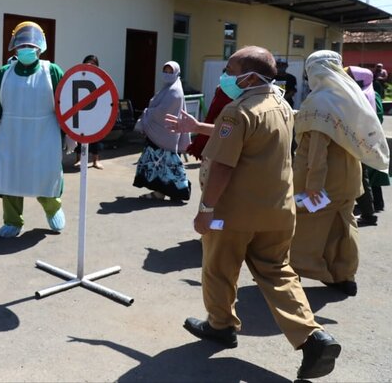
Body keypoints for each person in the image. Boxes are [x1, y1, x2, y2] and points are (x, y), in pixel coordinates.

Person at [169, 46, 342, 380]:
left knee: (218, 268)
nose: (226, 76)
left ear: (248, 76)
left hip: (234, 215)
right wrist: (198, 126)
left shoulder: (236, 111)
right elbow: (247, 138)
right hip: (278, 212)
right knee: (278, 273)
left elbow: (221, 164)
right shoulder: (282, 105)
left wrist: (205, 210)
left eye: (231, 69)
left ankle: (220, 325)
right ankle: (313, 337)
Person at [290, 53, 389, 297]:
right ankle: (344, 276)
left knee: (304, 226)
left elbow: (317, 151)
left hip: (322, 181)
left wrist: (313, 186)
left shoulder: (319, 101)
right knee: (344, 225)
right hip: (349, 178)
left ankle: (298, 271)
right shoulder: (350, 97)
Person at [0, 21, 66, 238]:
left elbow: (66, 105)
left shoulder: (52, 71)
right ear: (15, 48)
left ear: (39, 47)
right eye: (21, 45)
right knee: (11, 178)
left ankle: (53, 208)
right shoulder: (4, 73)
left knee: (45, 175)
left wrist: (70, 135)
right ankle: (12, 221)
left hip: (44, 134)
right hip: (11, 134)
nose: (26, 49)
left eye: (30, 45)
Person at [133, 61, 191, 201]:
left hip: (166, 134)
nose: (167, 74)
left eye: (170, 72)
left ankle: (179, 190)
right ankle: (161, 192)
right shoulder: (168, 88)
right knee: (160, 165)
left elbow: (163, 112)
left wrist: (148, 112)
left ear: (177, 73)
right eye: (165, 71)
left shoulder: (174, 91)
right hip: (162, 134)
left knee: (167, 164)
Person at [347, 65, 389, 224]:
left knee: (367, 175)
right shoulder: (359, 94)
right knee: (366, 175)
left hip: (366, 139)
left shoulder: (370, 95)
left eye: (352, 76)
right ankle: (371, 207)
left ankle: (371, 209)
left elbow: (378, 115)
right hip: (364, 139)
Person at [74, 54, 104, 169]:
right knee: (79, 136)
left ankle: (96, 160)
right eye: (88, 62)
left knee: (95, 137)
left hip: (95, 111)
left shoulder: (100, 77)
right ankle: (78, 159)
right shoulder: (79, 75)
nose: (90, 65)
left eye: (93, 63)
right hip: (81, 110)